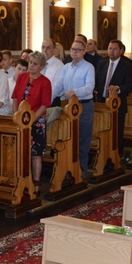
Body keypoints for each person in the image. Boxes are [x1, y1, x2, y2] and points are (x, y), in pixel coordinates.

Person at [52, 39, 95, 179]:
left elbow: (89, 87)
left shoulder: (88, 67)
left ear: (84, 51)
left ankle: (81, 172)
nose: (74, 52)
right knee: (68, 139)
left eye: (78, 50)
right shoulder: (66, 67)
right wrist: (47, 98)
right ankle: (69, 170)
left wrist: (74, 92)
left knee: (82, 140)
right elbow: (59, 86)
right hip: (68, 107)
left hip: (84, 106)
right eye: (72, 49)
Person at [12, 51, 52, 193]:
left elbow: (44, 105)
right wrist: (16, 115)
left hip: (36, 121)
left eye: (35, 64)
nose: (31, 66)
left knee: (35, 154)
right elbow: (15, 98)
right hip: (20, 120)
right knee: (19, 152)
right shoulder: (22, 77)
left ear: (42, 66)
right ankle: (20, 181)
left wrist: (31, 119)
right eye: (30, 62)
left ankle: (36, 184)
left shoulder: (45, 82)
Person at [95, 40, 132, 154]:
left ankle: (117, 155)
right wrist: (95, 89)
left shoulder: (126, 65)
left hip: (118, 104)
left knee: (117, 130)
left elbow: (128, 86)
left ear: (121, 51)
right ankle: (103, 153)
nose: (111, 51)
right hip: (102, 103)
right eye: (110, 48)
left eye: (115, 49)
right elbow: (97, 80)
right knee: (102, 129)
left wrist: (117, 88)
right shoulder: (102, 63)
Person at [41, 38, 64, 106]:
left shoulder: (59, 66)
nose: (44, 50)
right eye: (43, 47)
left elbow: (57, 88)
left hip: (52, 101)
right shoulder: (39, 64)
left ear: (54, 50)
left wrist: (45, 100)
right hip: (38, 100)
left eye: (48, 48)